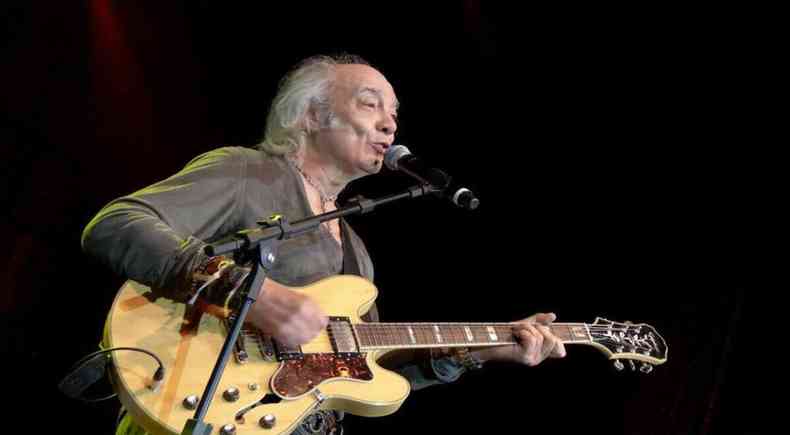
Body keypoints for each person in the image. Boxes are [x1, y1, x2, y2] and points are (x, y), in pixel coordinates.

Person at [81, 54, 566, 435]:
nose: (390, 124)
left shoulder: (356, 255)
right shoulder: (250, 172)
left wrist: (486, 349)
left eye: (395, 113)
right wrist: (251, 294)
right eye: (370, 103)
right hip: (195, 406)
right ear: (312, 115)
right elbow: (117, 224)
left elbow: (364, 372)